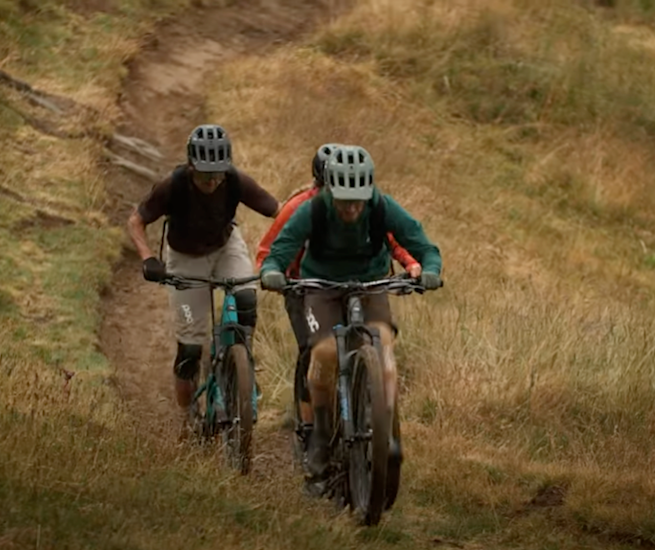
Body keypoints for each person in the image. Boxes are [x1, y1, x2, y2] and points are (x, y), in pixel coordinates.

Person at [259, 144, 442, 479]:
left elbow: (421, 242)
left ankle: (385, 425)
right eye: (344, 201)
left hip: (369, 284)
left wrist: (429, 268)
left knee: (382, 343)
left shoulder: (381, 206)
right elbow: (280, 249)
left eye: (358, 200)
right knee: (325, 352)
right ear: (330, 191)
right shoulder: (312, 209)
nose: (352, 208)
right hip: (322, 287)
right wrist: (272, 270)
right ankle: (321, 436)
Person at [127, 124, 280, 431]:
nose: (212, 181)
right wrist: (148, 258)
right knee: (190, 350)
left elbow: (279, 211)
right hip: (185, 259)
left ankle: (241, 365)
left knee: (246, 299)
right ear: (191, 167)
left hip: (226, 247)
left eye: (218, 174)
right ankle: (187, 417)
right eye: (205, 174)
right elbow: (136, 221)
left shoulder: (234, 180)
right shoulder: (173, 185)